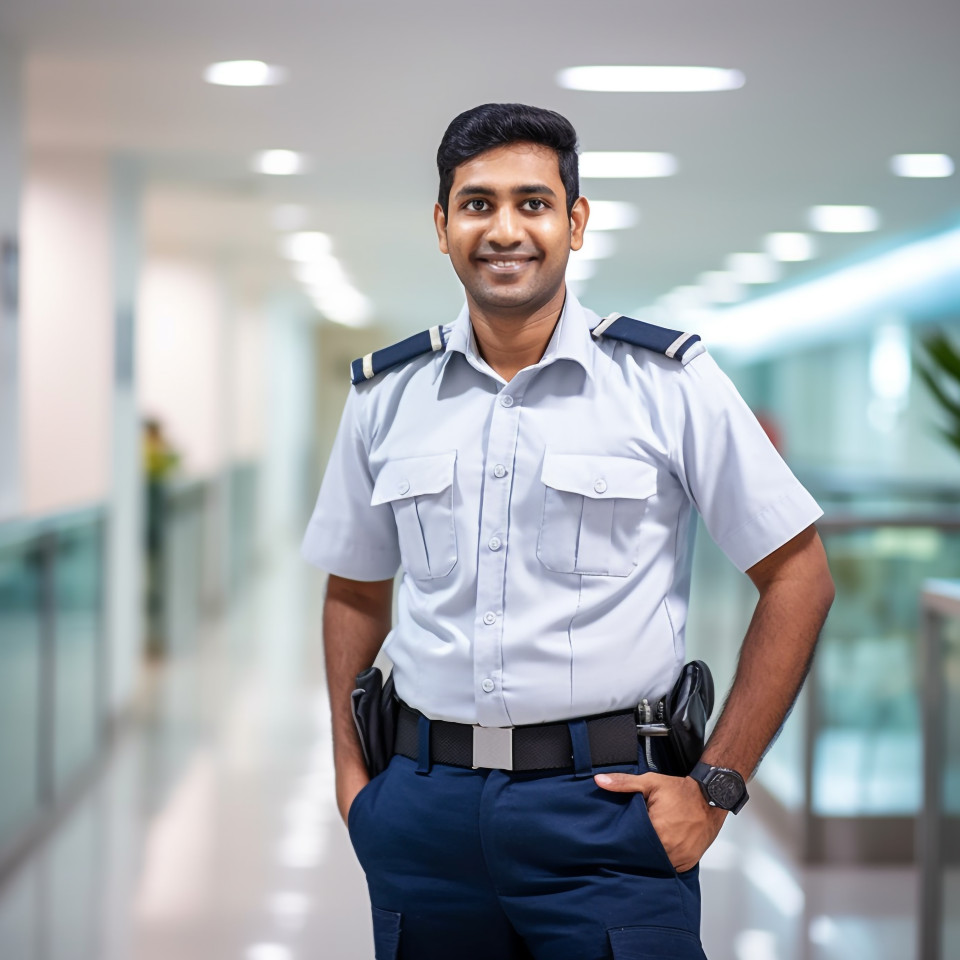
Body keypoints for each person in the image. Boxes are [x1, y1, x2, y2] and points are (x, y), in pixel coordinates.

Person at [301, 103, 834, 960]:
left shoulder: (667, 385)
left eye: (533, 202)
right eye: (476, 204)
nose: (504, 229)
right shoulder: (386, 398)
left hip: (610, 815)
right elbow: (355, 591)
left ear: (575, 222)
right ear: (441, 227)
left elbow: (799, 576)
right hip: (424, 817)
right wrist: (353, 780)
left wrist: (717, 786)